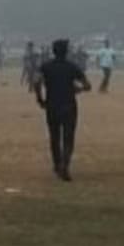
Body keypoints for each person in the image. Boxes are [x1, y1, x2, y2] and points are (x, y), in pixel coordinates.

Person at [33, 39, 92, 181]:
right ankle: (65, 164)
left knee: (54, 137)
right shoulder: (72, 67)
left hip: (52, 105)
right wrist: (77, 89)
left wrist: (40, 98)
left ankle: (57, 164)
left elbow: (36, 81)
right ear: (66, 52)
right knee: (68, 137)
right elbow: (87, 85)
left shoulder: (46, 67)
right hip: (69, 105)